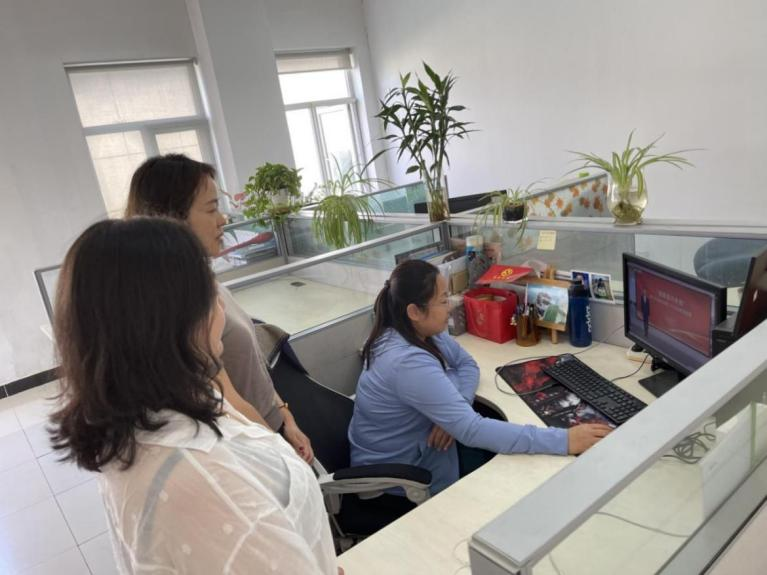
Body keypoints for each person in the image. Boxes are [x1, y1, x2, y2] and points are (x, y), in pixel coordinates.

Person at [49, 218, 338, 574]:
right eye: (209, 294)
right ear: (171, 319)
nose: (221, 311)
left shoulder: (147, 416)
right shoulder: (208, 484)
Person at [349, 260, 612, 495]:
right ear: (414, 311)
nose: (450, 306)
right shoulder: (406, 360)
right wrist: (565, 440)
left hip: (427, 450)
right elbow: (472, 430)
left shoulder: (419, 331)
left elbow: (467, 365)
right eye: (443, 300)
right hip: (402, 479)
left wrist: (454, 412)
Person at [125, 154, 313, 463]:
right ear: (172, 218)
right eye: (212, 208)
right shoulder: (184, 303)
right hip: (255, 443)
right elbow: (228, 399)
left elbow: (252, 367)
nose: (223, 219)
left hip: (268, 427)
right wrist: (281, 455)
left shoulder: (203, 278)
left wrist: (284, 415)